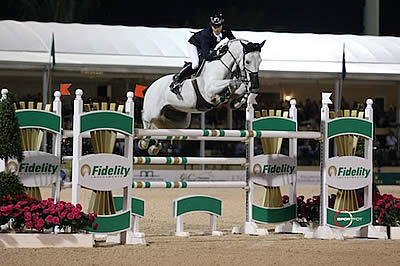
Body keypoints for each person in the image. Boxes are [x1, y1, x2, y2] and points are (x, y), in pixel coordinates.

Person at [170, 13, 236, 94]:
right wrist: (218, 52)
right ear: (211, 26)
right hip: (194, 45)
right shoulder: (206, 35)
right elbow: (206, 55)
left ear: (222, 25)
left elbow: (234, 42)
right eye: (214, 26)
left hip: (207, 46)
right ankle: (178, 78)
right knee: (196, 64)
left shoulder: (226, 30)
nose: (216, 29)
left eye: (218, 26)